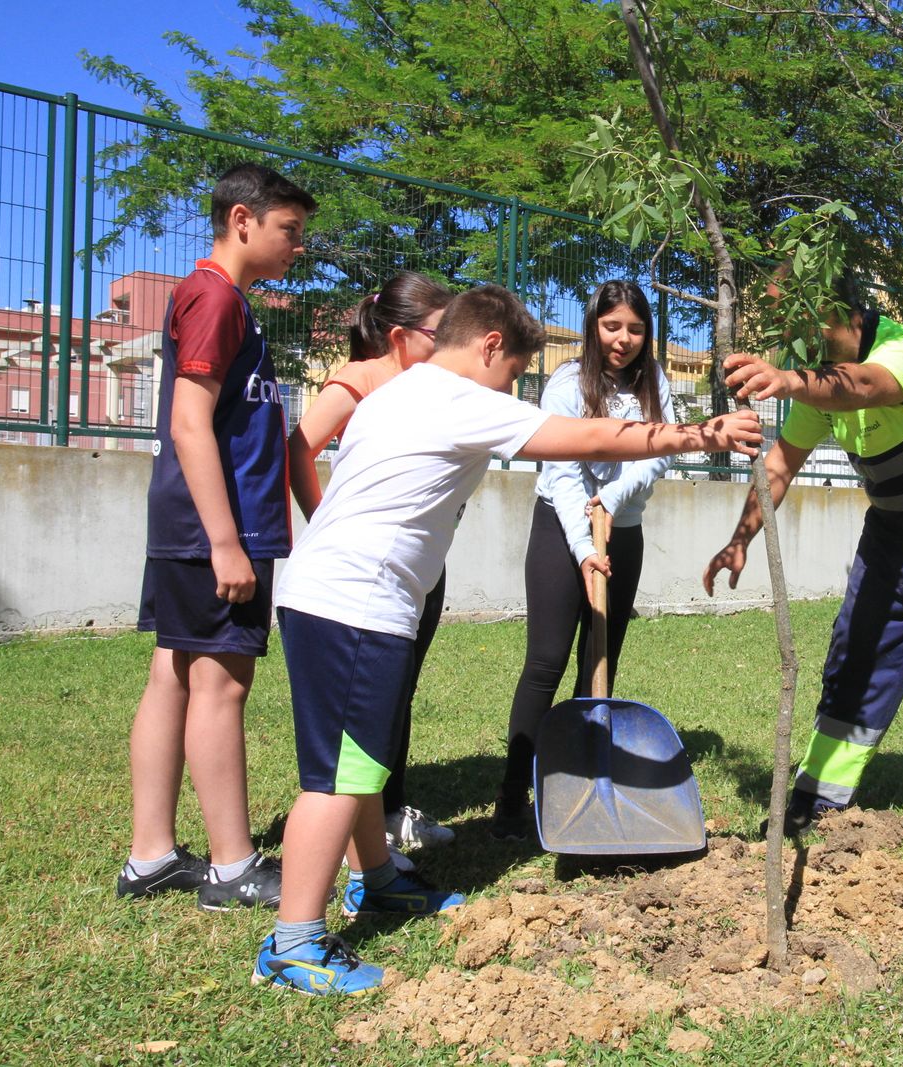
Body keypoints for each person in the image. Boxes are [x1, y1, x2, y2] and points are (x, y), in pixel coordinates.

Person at [253, 284, 760, 995]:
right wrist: (697, 434)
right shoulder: (456, 397)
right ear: (490, 346)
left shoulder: (397, 392)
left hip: (336, 597)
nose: (512, 389)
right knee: (336, 779)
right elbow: (583, 436)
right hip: (356, 605)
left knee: (361, 763)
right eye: (515, 374)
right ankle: (294, 942)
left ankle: (378, 880)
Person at [703, 275, 903, 879]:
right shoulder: (819, 387)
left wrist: (791, 380)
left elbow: (864, 388)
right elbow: (779, 465)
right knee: (854, 664)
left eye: (804, 324)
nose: (798, 343)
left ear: (844, 311)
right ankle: (820, 797)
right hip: (890, 537)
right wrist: (739, 540)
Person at [118, 163, 316, 910]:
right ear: (242, 220)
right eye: (288, 231)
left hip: (196, 527)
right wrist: (227, 541)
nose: (297, 246)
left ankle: (152, 856)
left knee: (174, 670)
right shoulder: (212, 297)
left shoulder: (222, 299)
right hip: (216, 531)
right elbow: (189, 422)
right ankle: (232, 867)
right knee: (221, 681)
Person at [491, 280, 672, 841]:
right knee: (545, 662)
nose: (623, 339)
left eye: (636, 329)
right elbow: (563, 472)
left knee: (600, 658)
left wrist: (614, 504)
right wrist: (585, 548)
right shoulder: (568, 381)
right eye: (613, 326)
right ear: (595, 325)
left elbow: (661, 450)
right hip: (560, 527)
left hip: (624, 529)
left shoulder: (655, 383)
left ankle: (575, 782)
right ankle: (511, 801)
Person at [287, 270, 455, 867]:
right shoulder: (361, 380)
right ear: (401, 334)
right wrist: (322, 516)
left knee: (398, 691)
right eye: (442, 331)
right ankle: (369, 832)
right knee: (368, 703)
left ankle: (386, 811)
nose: (452, 342)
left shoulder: (434, 386)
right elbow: (297, 446)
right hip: (360, 577)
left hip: (416, 569)